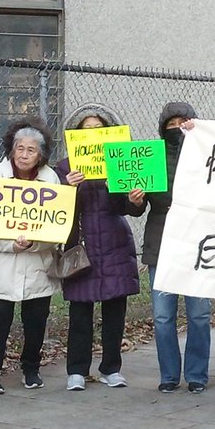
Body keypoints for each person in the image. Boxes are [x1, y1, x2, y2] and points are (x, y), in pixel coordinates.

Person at [55, 103, 145, 391]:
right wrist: (68, 188)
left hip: (114, 243)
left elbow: (129, 209)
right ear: (76, 133)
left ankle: (111, 368)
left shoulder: (121, 160)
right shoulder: (65, 167)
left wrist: (134, 199)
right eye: (87, 129)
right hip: (82, 246)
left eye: (98, 128)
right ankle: (76, 371)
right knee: (80, 311)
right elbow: (56, 209)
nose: (93, 133)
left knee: (115, 311)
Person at [0, 117, 61, 394]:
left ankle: (31, 368)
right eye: (19, 148)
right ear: (11, 150)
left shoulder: (50, 178)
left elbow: (56, 224)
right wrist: (10, 244)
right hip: (1, 264)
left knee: (36, 319)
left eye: (31, 150)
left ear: (41, 154)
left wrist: (34, 243)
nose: (24, 155)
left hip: (37, 264)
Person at [135, 102, 212, 394]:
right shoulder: (150, 157)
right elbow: (135, 210)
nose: (177, 128)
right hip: (161, 243)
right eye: (171, 123)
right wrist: (134, 199)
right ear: (162, 128)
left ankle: (197, 375)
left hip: (198, 244)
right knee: (163, 316)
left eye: (184, 122)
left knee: (199, 314)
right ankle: (169, 374)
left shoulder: (208, 153)